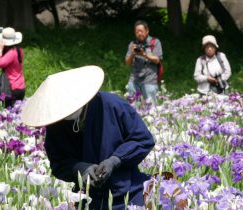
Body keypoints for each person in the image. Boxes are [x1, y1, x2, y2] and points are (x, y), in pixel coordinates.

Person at [21, 66, 155, 210]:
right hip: (87, 197)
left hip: (129, 190)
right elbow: (58, 162)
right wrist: (81, 168)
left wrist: (115, 160)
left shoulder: (111, 104)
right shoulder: (56, 122)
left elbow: (143, 139)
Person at [126, 20, 163, 105]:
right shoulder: (132, 44)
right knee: (133, 106)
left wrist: (144, 54)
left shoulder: (155, 42)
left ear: (147, 31)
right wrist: (132, 54)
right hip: (134, 80)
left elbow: (157, 60)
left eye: (141, 31)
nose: (139, 33)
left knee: (151, 107)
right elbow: (127, 63)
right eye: (137, 32)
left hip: (149, 79)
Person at [0, 27, 25, 108]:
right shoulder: (19, 50)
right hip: (21, 86)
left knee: (9, 114)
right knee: (18, 112)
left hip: (11, 88)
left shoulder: (11, 53)